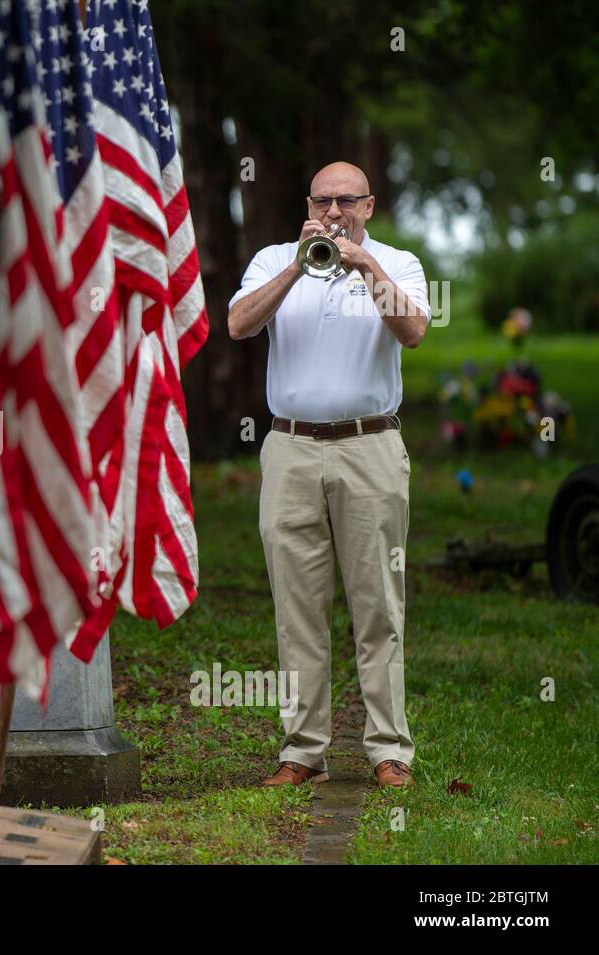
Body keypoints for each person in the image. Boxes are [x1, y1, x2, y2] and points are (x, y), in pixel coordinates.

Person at [227, 161, 430, 789]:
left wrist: (365, 266)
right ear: (309, 205)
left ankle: (389, 749)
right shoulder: (273, 260)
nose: (335, 211)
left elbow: (415, 330)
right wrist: (300, 263)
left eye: (347, 201)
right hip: (291, 449)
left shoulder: (400, 263)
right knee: (297, 608)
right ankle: (302, 751)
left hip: (370, 448)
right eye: (323, 201)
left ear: (369, 207)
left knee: (378, 607)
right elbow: (238, 324)